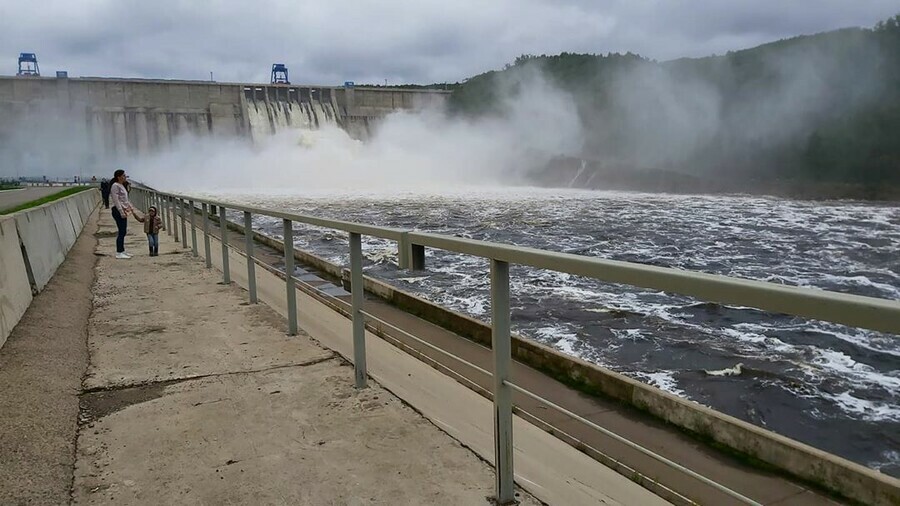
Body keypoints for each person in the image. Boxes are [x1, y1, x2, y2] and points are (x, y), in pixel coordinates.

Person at [109, 169, 134, 259]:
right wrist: (121, 211)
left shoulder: (121, 185)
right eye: (123, 175)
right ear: (118, 177)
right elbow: (116, 200)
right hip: (118, 210)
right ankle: (119, 252)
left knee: (123, 231)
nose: (125, 177)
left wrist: (130, 206)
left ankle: (122, 250)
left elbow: (124, 199)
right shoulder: (115, 186)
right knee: (121, 231)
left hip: (123, 210)